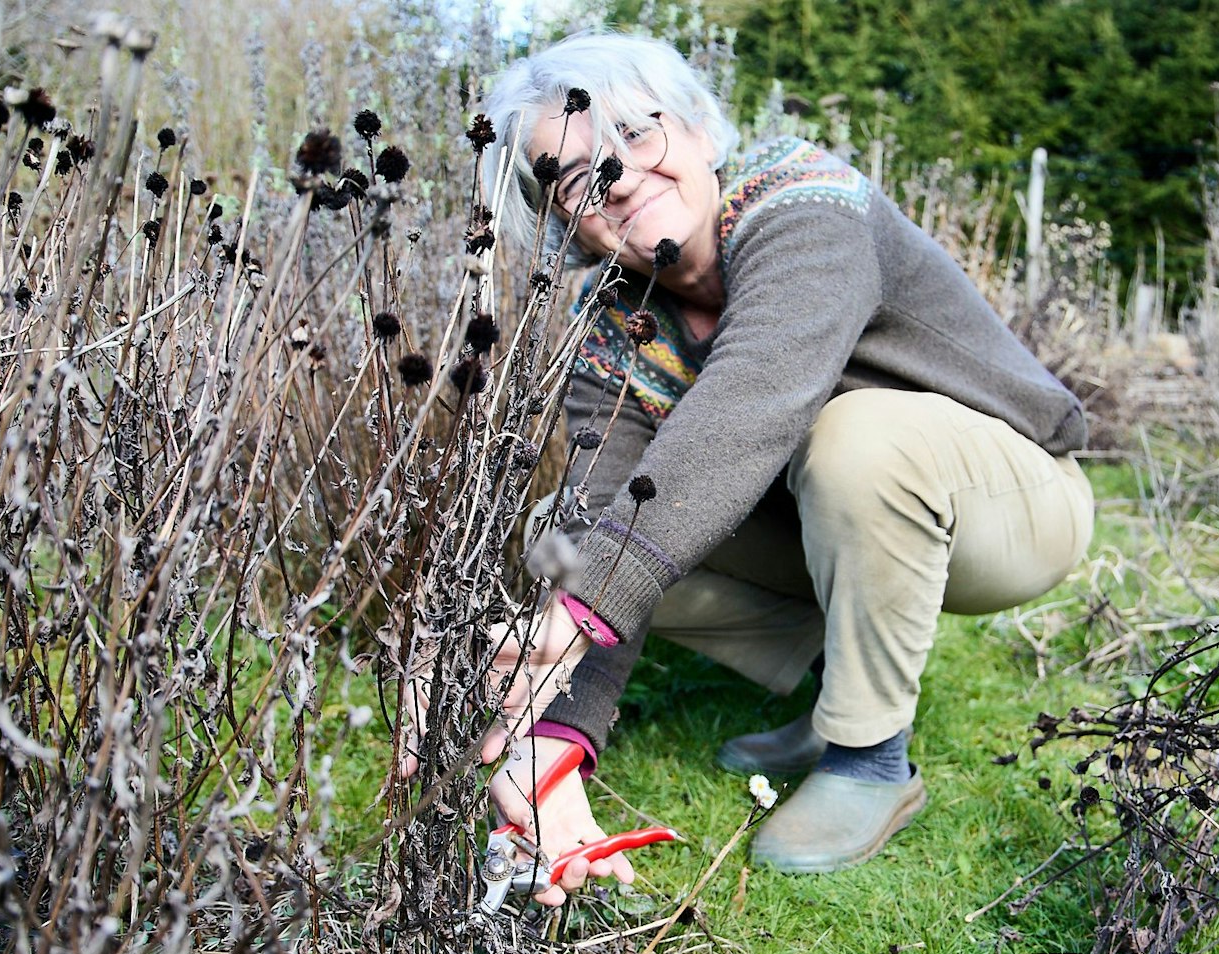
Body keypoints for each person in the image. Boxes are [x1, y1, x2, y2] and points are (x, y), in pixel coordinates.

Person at [465, 31, 1094, 906]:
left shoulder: (804, 201)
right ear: (563, 218)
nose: (617, 177)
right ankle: (840, 677)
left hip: (1016, 499)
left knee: (855, 437)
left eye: (636, 134)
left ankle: (871, 758)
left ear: (695, 131)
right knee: (564, 543)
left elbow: (753, 398)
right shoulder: (609, 326)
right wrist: (555, 730)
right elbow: (601, 509)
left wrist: (583, 607)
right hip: (838, 518)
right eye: (576, 177)